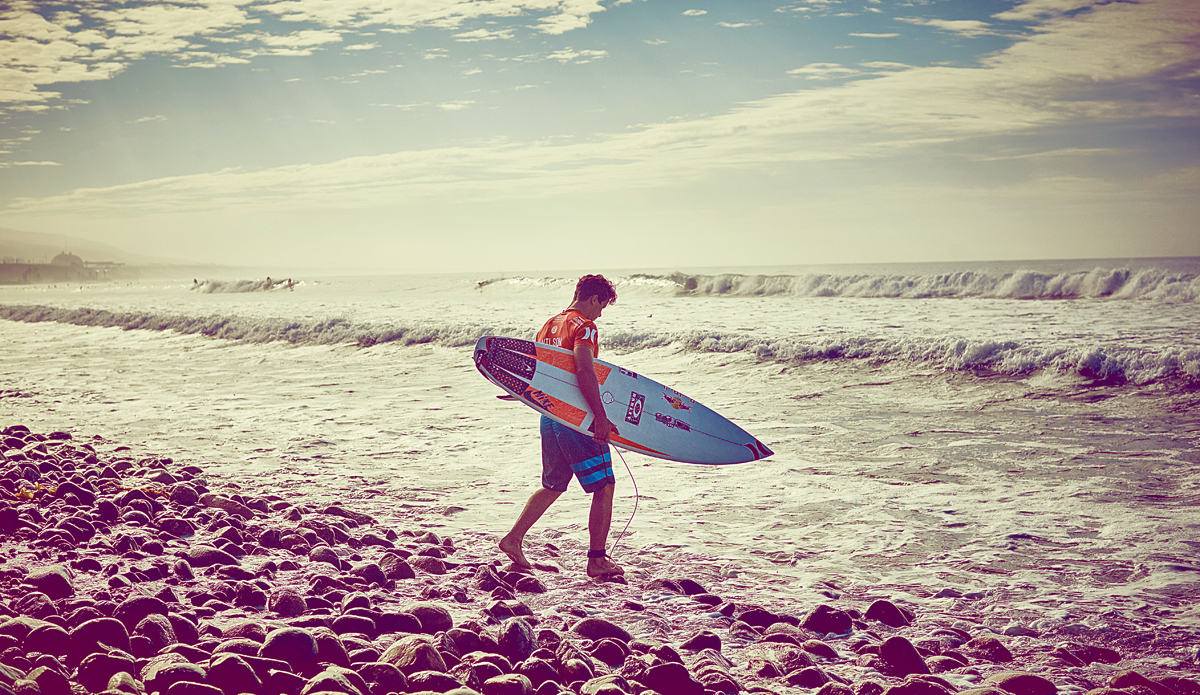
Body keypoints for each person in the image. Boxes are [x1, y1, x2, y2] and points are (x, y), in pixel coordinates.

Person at [499, 274, 625, 578]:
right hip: (576, 420)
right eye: (602, 307)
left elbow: (541, 376)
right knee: (605, 486)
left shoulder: (549, 325)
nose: (600, 315)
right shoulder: (585, 327)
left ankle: (513, 539)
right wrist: (600, 416)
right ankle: (597, 560)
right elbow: (584, 371)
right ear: (594, 298)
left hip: (550, 417)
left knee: (553, 485)